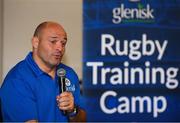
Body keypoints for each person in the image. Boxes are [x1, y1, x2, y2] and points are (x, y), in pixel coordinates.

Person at [0, 21, 86, 122]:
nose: (60, 48)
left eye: (63, 43)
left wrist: (73, 110)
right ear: (36, 42)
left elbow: (83, 119)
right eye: (53, 42)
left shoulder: (69, 73)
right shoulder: (17, 79)